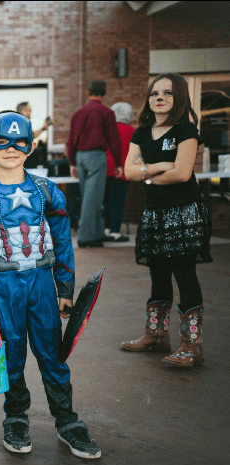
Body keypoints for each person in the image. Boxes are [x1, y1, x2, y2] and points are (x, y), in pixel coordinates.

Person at [0, 111, 101, 459]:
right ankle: (15, 417)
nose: (10, 148)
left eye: (19, 141)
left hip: (41, 284)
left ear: (32, 146)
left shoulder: (47, 191)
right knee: (11, 355)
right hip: (4, 287)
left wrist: (65, 289)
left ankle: (66, 420)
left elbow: (63, 242)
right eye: (1, 142)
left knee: (52, 354)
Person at [120, 73, 211, 367]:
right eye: (154, 93)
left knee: (184, 274)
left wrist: (146, 173)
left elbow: (182, 173)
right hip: (154, 213)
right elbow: (130, 172)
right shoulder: (141, 133)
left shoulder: (186, 130)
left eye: (168, 93)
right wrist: (161, 166)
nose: (159, 97)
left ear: (179, 96)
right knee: (158, 274)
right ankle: (156, 336)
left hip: (184, 212)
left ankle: (191, 345)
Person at [66, 79, 122, 248]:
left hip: (80, 156)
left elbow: (71, 139)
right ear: (104, 93)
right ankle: (85, 237)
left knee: (90, 196)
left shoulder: (78, 113)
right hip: (96, 156)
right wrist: (118, 163)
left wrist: (72, 162)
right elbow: (114, 139)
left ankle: (97, 234)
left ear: (87, 92)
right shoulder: (107, 112)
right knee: (93, 197)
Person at [102, 102, 136, 243]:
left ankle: (106, 230)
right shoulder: (133, 132)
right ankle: (115, 232)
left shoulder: (106, 130)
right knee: (117, 203)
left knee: (106, 202)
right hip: (121, 170)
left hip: (104, 170)